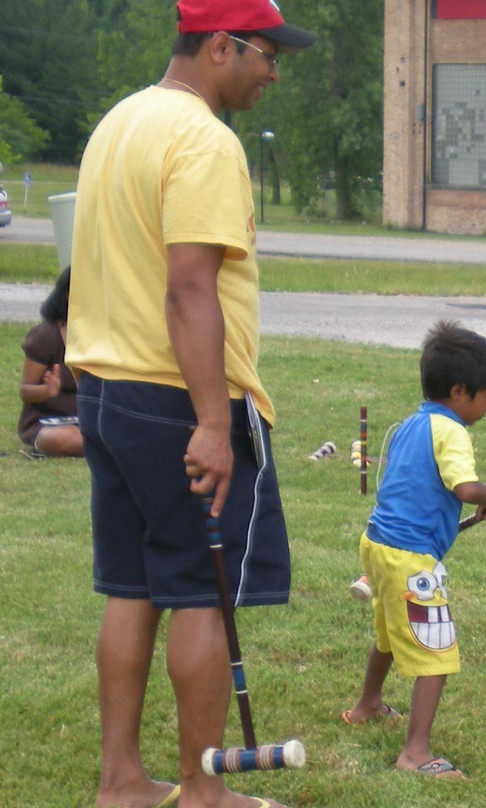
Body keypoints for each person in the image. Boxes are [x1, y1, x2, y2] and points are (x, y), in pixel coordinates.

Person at [65, 2, 315, 807]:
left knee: (132, 586)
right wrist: (214, 422)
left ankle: (123, 782)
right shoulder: (205, 139)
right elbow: (188, 286)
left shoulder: (120, 120)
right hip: (177, 399)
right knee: (199, 596)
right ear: (220, 46)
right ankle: (208, 796)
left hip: (106, 390)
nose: (275, 71)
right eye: (267, 54)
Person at [341, 320, 486, 780]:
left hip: (378, 546)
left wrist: (467, 514)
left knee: (391, 635)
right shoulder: (452, 432)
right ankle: (415, 753)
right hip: (410, 559)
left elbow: (419, 492)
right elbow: (465, 485)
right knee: (436, 650)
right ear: (459, 390)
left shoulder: (411, 425)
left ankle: (366, 705)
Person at [18, 266, 83, 457]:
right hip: (49, 422)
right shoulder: (47, 336)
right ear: (68, 295)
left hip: (92, 420)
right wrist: (46, 391)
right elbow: (26, 391)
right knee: (69, 439)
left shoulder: (106, 335)